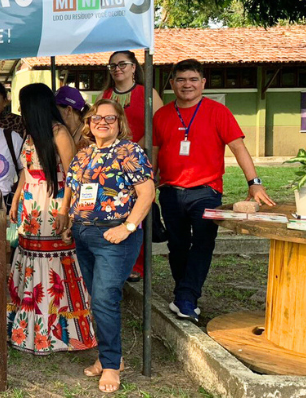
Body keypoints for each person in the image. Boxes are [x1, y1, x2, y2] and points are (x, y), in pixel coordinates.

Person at [154, 59, 274, 323]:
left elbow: (238, 147)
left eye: (193, 79)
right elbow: (154, 153)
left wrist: (254, 182)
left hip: (206, 192)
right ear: (172, 83)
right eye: (181, 79)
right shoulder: (162, 115)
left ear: (203, 83)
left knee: (204, 242)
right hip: (171, 192)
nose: (187, 84)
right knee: (177, 245)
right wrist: (147, 185)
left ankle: (186, 297)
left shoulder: (218, 112)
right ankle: (184, 293)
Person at [66, 98, 155, 393]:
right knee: (98, 299)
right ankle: (108, 358)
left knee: (105, 299)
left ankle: (112, 364)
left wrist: (127, 227)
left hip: (114, 238)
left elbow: (147, 193)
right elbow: (75, 191)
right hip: (83, 234)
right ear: (89, 123)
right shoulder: (83, 154)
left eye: (110, 118)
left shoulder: (129, 151)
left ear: (120, 123)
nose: (102, 123)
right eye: (96, 118)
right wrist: (68, 222)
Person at [6, 83, 96, 357]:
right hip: (31, 206)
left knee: (52, 263)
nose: (20, 111)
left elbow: (72, 176)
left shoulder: (60, 134)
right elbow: (25, 171)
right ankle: (28, 330)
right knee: (29, 260)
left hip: (52, 203)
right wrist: (16, 198)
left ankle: (54, 333)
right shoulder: (31, 134)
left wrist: (65, 211)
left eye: (23, 105)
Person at [102, 51, 164, 282]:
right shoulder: (106, 95)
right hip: (110, 164)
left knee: (139, 210)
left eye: (123, 64)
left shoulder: (147, 93)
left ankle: (137, 265)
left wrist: (132, 149)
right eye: (113, 66)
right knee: (114, 207)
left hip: (139, 160)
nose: (118, 69)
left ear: (134, 67)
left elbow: (158, 126)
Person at [54, 86, 90, 150]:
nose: (52, 114)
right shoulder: (67, 132)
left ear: (68, 110)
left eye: (55, 110)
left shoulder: (88, 137)